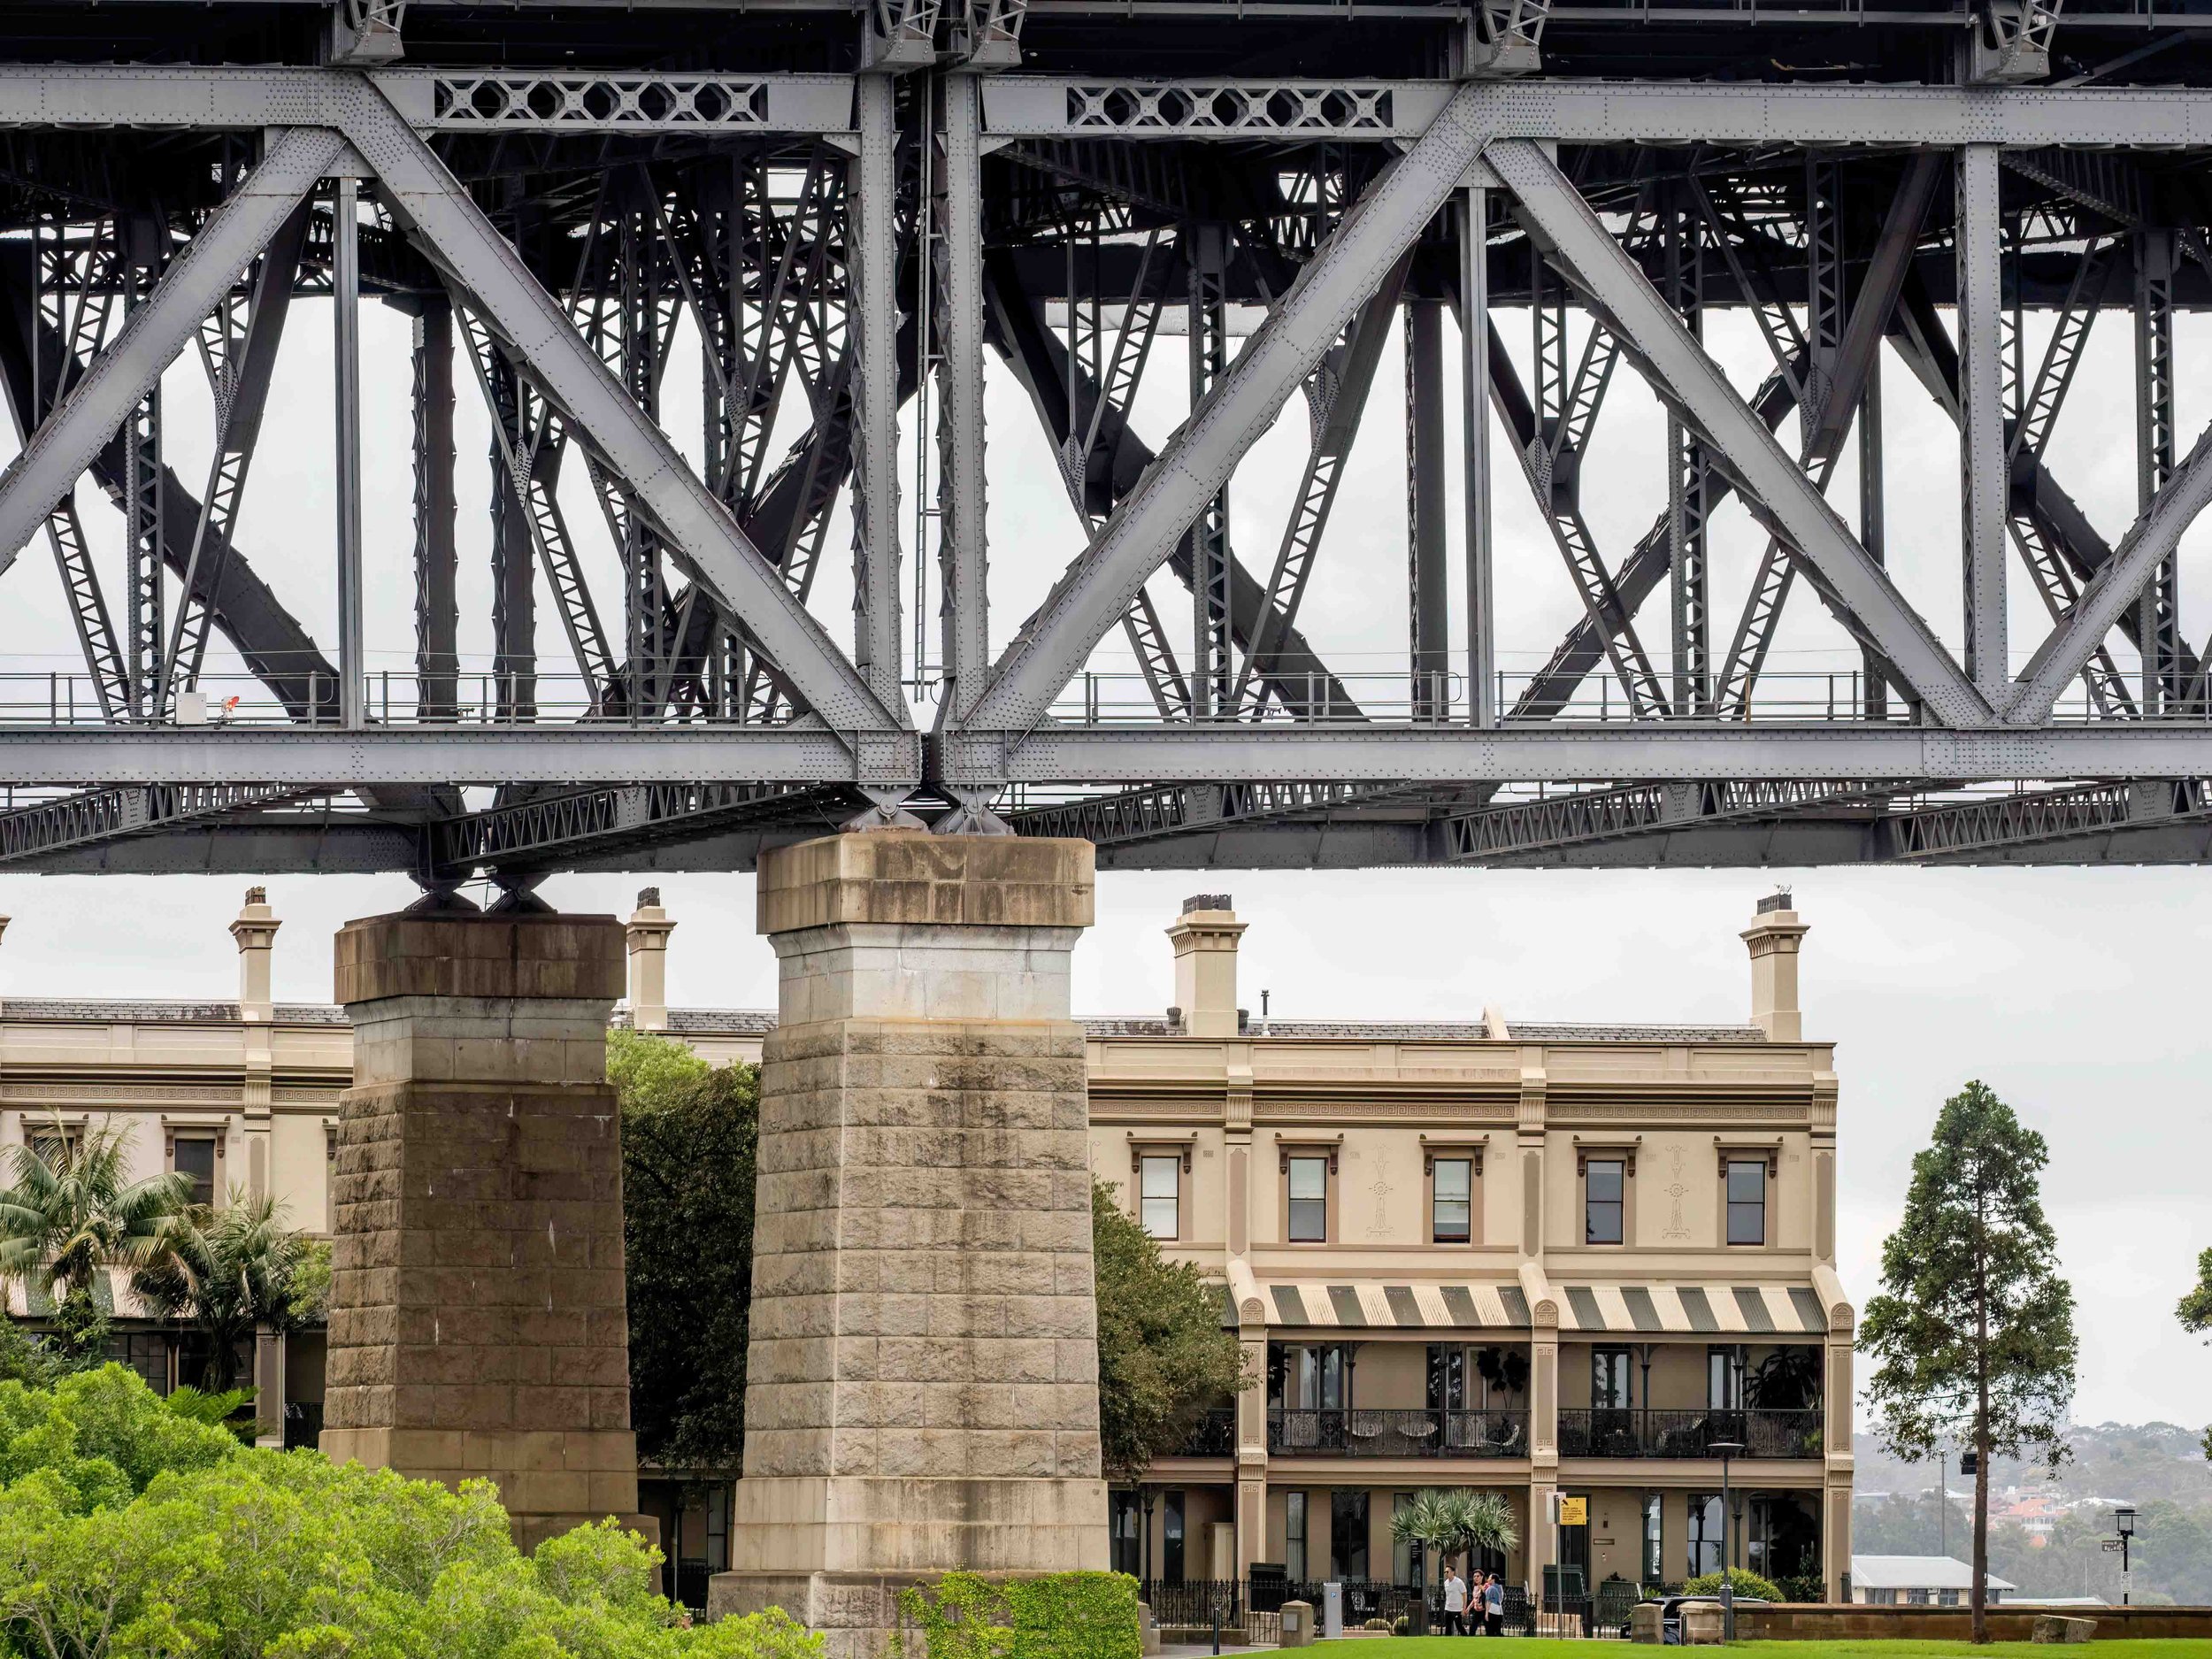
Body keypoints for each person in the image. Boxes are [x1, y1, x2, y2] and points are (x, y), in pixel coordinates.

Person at [1441, 1566, 1467, 1637]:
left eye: (1448, 1572)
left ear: (1453, 1572)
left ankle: (1467, 1638)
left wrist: (1463, 1608)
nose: (1446, 1573)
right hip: (1448, 1608)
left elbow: (1464, 1594)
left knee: (1459, 1626)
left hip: (1457, 1609)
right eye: (1445, 1572)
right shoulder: (1446, 1583)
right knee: (1448, 1626)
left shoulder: (1458, 1582)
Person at [1485, 1571, 1506, 1637]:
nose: (1488, 1579)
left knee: (1490, 1631)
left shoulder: (1491, 1588)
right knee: (1497, 1630)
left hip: (1492, 1610)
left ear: (1493, 1580)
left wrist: (1486, 1613)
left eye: (1489, 1578)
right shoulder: (1500, 1587)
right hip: (1499, 1610)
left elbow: (1489, 1601)